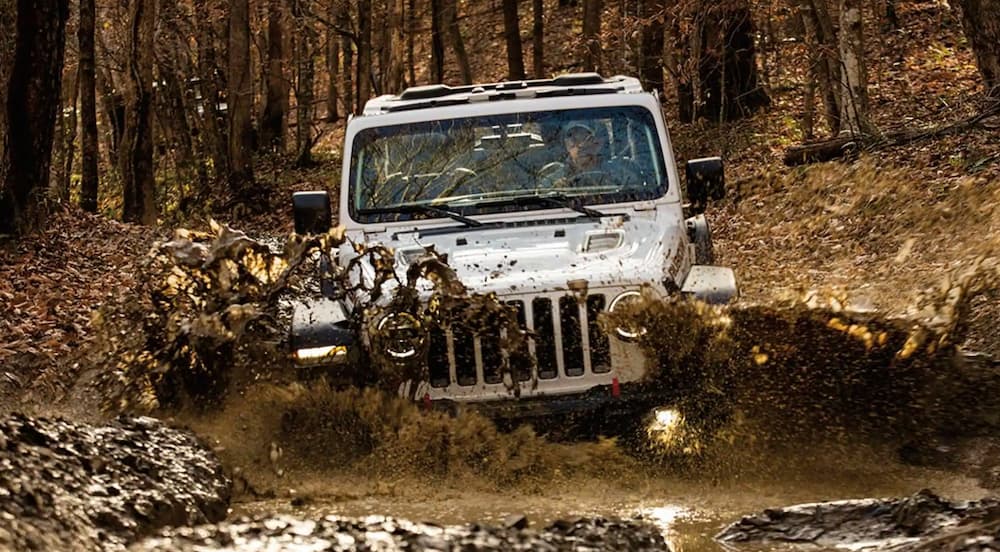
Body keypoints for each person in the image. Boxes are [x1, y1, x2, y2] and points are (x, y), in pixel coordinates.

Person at [538, 120, 643, 189]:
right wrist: (558, 192)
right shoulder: (551, 180)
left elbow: (639, 193)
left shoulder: (621, 173)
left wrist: (613, 186)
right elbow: (542, 202)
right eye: (573, 140)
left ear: (598, 143)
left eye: (585, 139)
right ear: (566, 145)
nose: (580, 146)